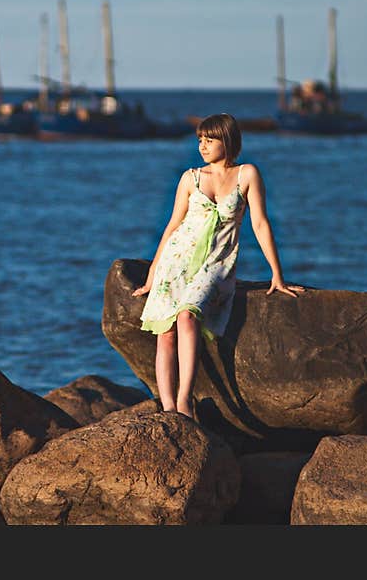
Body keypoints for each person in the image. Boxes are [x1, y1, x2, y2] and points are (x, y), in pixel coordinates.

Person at [130, 113, 303, 420]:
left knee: (187, 316)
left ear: (228, 141)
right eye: (200, 140)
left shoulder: (247, 174)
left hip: (216, 263)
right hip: (177, 260)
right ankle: (168, 407)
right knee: (165, 333)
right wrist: (153, 271)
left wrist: (277, 274)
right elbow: (173, 226)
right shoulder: (190, 178)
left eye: (210, 140)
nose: (203, 146)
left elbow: (261, 224)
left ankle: (185, 400)